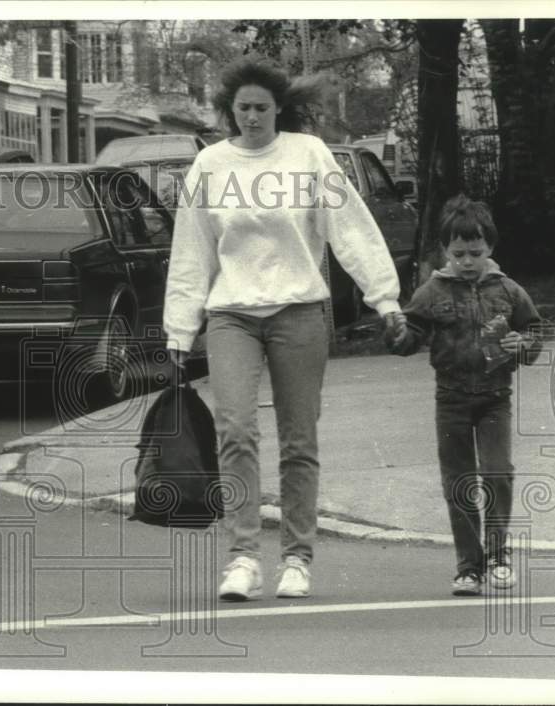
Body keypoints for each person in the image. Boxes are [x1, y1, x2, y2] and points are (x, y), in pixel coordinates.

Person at [163, 58, 404, 601]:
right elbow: (191, 254)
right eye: (242, 109)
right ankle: (243, 558)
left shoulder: (308, 155)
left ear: (279, 110)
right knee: (236, 431)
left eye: (262, 108)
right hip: (232, 315)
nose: (252, 118)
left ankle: (297, 558)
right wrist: (179, 332)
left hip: (299, 311)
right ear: (230, 111)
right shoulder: (209, 167)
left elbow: (352, 230)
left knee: (299, 440)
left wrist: (385, 299)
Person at [386, 194, 543, 596]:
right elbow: (410, 335)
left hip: (495, 398)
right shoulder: (432, 290)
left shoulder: (508, 290)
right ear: (446, 250)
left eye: (475, 252)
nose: (468, 261)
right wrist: (398, 333)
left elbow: (534, 334)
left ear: (490, 248)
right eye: (459, 253)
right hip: (451, 399)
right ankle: (468, 567)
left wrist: (521, 345)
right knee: (458, 481)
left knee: (497, 474)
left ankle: (497, 554)